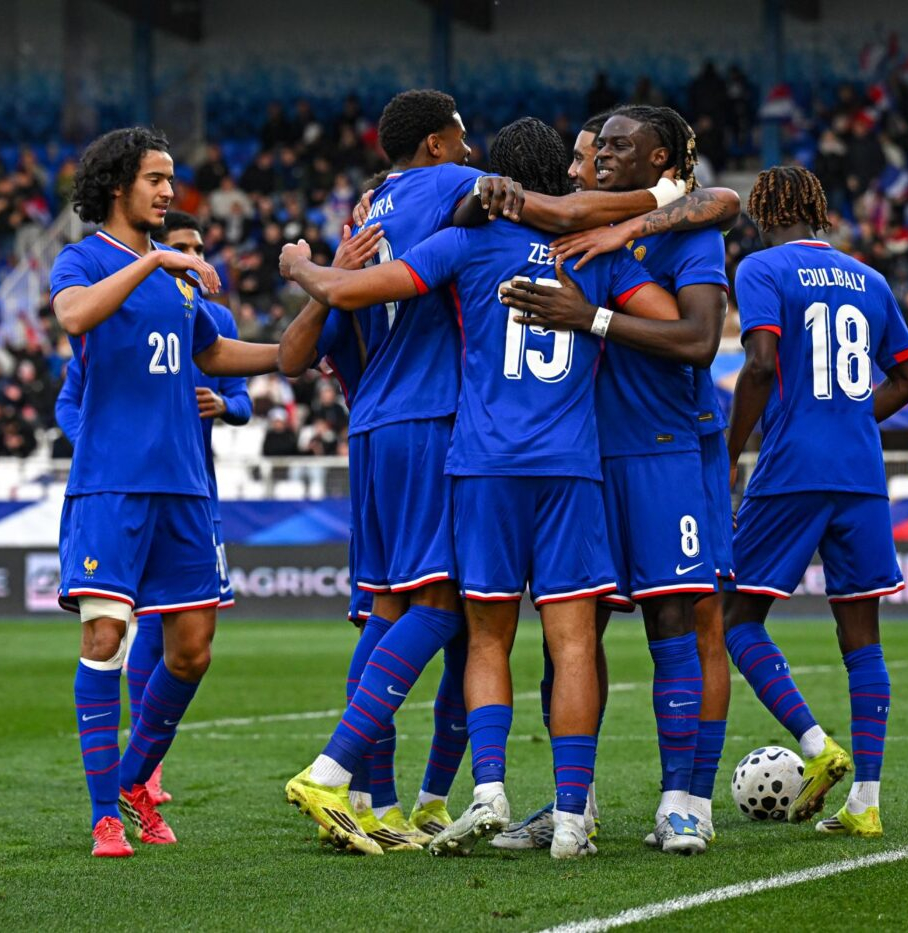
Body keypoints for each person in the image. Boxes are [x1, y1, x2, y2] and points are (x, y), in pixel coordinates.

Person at [281, 116, 680, 860]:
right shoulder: (594, 248)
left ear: (499, 178)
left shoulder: (466, 241)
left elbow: (355, 289)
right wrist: (602, 302)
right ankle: (571, 818)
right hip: (570, 465)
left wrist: (303, 266)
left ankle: (479, 790)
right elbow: (676, 329)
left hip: (481, 460)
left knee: (477, 633)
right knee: (571, 644)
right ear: (558, 179)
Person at [493, 106, 728, 855]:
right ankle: (576, 803)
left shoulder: (691, 230)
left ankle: (684, 801)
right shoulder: (581, 222)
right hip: (581, 457)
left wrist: (590, 316)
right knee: (569, 634)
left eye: (615, 148)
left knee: (677, 625)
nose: (594, 161)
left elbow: (698, 339)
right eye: (592, 151)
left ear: (659, 159)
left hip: (663, 448)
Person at [50, 126, 279, 858]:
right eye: (155, 178)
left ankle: (131, 780)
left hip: (184, 484)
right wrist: (153, 259)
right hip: (112, 483)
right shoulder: (83, 260)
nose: (168, 190)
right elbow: (74, 316)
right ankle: (104, 818)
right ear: (118, 185)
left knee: (192, 653)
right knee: (105, 638)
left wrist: (295, 352)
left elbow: (216, 351)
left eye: (171, 178)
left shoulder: (180, 280)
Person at [722, 166, 908, 839]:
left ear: (762, 213)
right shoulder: (870, 278)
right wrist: (853, 417)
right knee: (861, 634)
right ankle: (866, 800)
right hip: (860, 472)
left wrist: (727, 455)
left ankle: (816, 744)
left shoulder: (760, 268)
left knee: (735, 616)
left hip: (793, 468)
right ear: (817, 211)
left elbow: (759, 363)